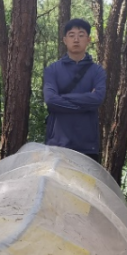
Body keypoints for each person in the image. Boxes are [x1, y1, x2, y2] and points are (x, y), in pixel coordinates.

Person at [43, 18, 107, 163]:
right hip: (57, 143)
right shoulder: (53, 70)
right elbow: (51, 101)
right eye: (71, 35)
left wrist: (62, 98)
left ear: (88, 39)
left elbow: (97, 99)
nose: (76, 39)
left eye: (81, 35)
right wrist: (86, 101)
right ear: (65, 40)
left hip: (87, 145)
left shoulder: (97, 71)